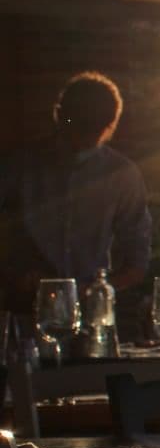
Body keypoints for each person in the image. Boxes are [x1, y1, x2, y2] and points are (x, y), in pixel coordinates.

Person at [0, 71, 151, 313]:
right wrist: (16, 274)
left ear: (109, 125)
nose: (82, 137)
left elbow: (137, 260)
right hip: (24, 309)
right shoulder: (19, 167)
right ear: (59, 115)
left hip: (91, 315)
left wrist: (95, 291)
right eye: (77, 123)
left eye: (93, 127)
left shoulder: (122, 175)